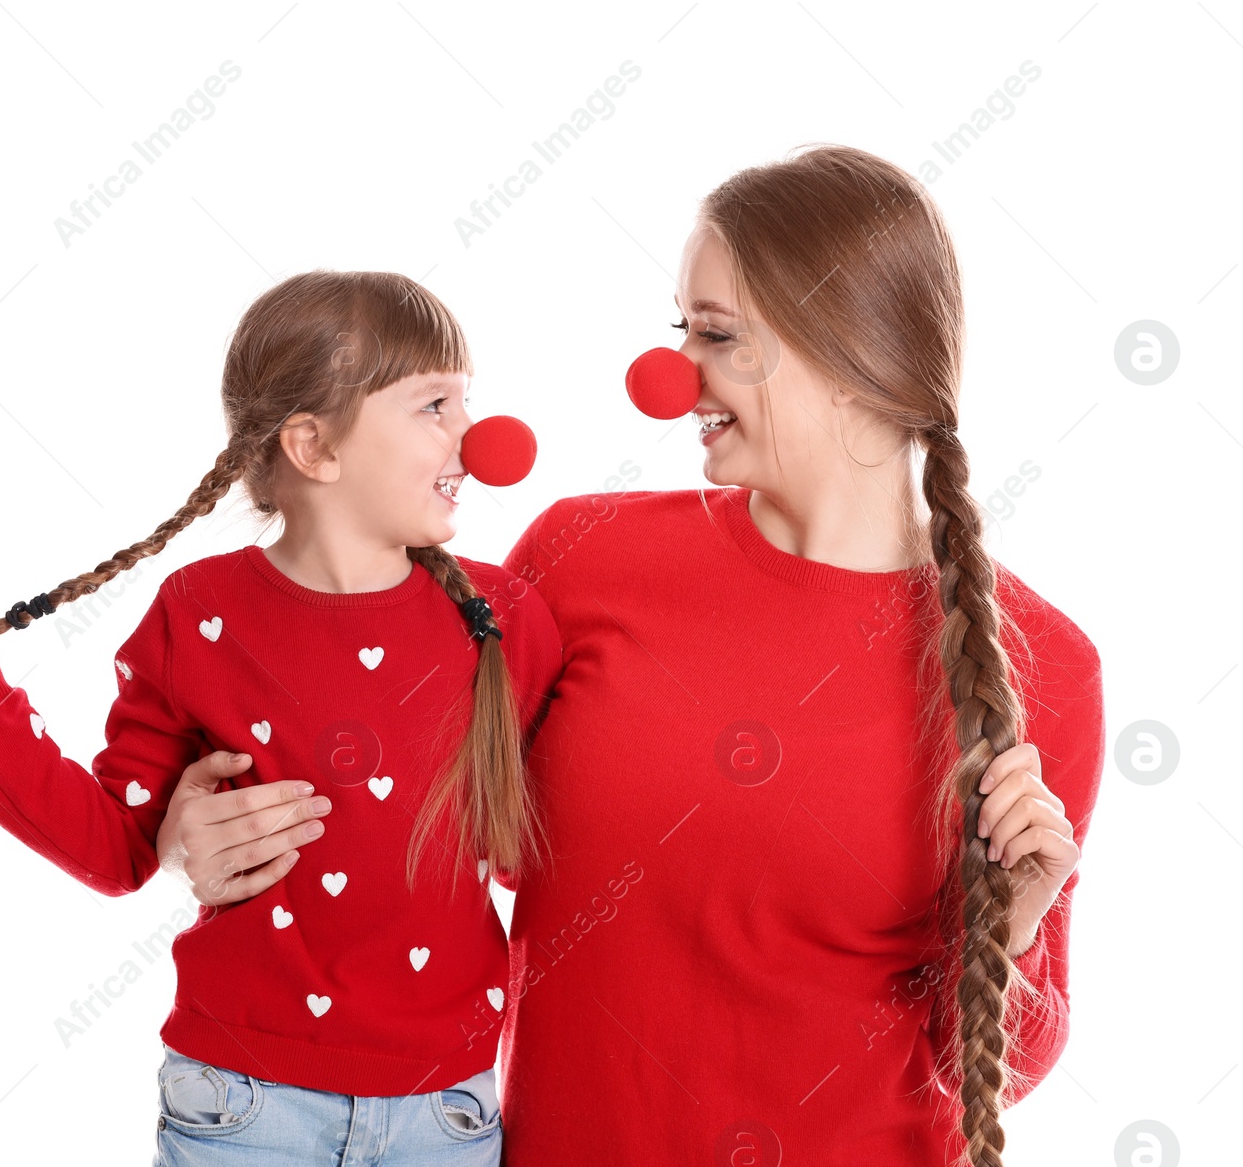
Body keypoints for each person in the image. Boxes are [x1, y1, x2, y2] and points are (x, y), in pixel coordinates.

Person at [157, 146, 1107, 1167]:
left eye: (715, 333)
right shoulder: (581, 558)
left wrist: (1014, 917)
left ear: (847, 354)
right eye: (681, 330)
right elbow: (394, 809)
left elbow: (1001, 1070)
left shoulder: (1042, 662)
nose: (670, 375)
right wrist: (193, 836)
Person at [0, 270, 565, 1167]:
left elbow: (544, 850)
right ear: (314, 446)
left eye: (467, 402)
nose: (477, 440)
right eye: (435, 404)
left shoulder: (506, 617)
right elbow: (117, 845)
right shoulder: (198, 612)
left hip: (446, 1105)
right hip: (244, 1104)